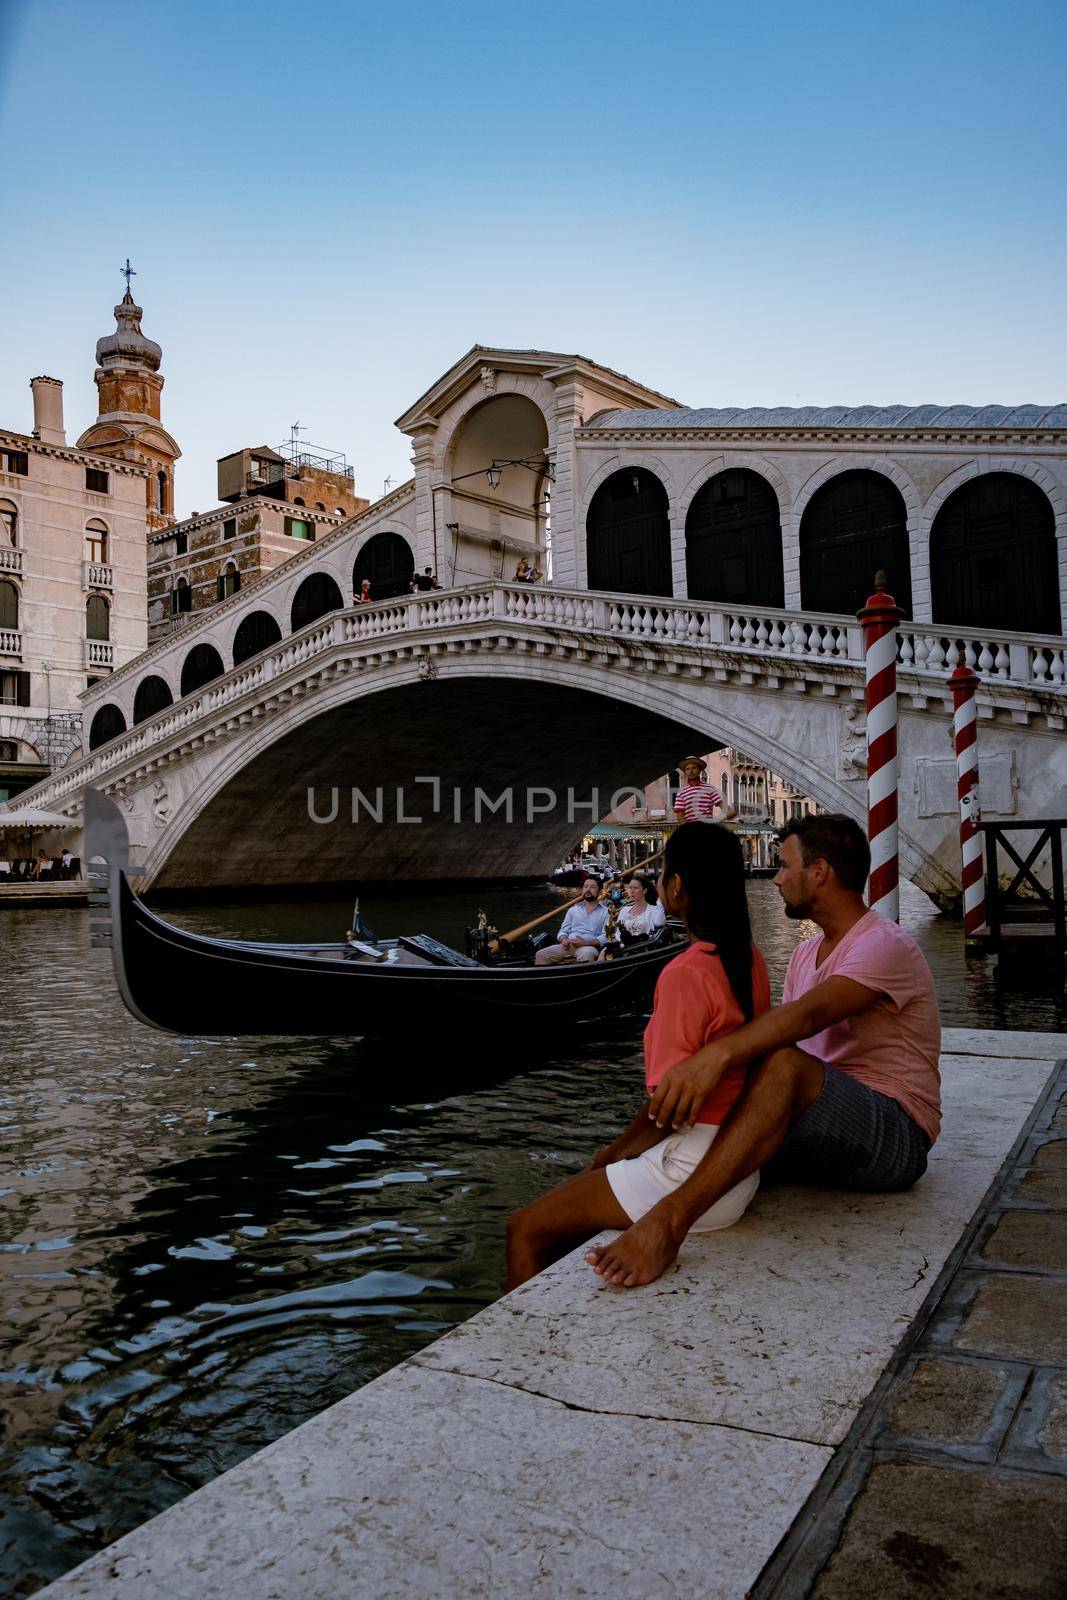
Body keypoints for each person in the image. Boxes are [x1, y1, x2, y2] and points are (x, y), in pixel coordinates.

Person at [587, 814, 942, 1287]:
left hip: (896, 1136)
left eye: (784, 865)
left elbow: (804, 1020)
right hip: (819, 1127)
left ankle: (669, 1223)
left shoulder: (883, 944)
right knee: (752, 1076)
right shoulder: (803, 954)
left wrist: (714, 1057)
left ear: (819, 873)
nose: (775, 878)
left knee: (780, 1064)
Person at [508, 824, 769, 1288]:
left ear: (675, 888)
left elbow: (666, 1109)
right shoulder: (750, 957)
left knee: (524, 1230)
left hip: (689, 1168)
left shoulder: (684, 973)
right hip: (736, 1169)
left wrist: (613, 1152)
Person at [533, 876, 609, 965]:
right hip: (569, 946)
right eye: (585, 887)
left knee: (586, 954)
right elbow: (563, 931)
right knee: (541, 954)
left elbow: (607, 936)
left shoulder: (606, 912)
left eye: (592, 887)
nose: (588, 890)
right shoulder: (573, 910)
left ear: (600, 891)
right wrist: (564, 940)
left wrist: (586, 942)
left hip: (589, 947)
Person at [598, 873, 666, 959]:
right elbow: (618, 933)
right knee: (604, 953)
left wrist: (658, 899)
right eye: (630, 888)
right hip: (622, 949)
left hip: (642, 950)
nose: (631, 891)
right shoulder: (624, 910)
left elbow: (659, 923)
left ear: (644, 890)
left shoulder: (653, 910)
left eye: (635, 888)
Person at [673, 755, 737, 823]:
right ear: (685, 772)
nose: (691, 771)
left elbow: (730, 812)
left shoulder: (709, 788)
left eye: (694, 768)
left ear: (699, 770)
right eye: (687, 769)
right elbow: (680, 816)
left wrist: (717, 821)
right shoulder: (682, 792)